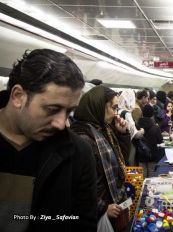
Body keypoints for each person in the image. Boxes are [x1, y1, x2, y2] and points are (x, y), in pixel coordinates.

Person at [0, 49, 97, 232]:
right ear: (18, 96)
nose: (62, 124)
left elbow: (83, 224)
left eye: (69, 112)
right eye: (52, 109)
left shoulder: (78, 153)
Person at [70, 85, 131, 232]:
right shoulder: (82, 136)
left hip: (112, 201)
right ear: (99, 107)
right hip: (97, 212)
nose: (116, 113)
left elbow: (120, 161)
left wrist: (122, 134)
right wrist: (102, 207)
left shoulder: (103, 129)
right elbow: (76, 183)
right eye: (114, 108)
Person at [137, 105, 163, 178]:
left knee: (142, 176)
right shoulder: (155, 127)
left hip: (141, 154)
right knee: (151, 175)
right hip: (152, 155)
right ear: (152, 114)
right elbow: (160, 141)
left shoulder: (137, 125)